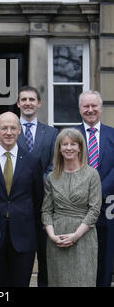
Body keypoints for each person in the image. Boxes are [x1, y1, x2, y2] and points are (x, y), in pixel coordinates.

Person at [0, 112, 44, 287]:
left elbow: (38, 200)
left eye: (13, 128)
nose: (8, 132)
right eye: (4, 128)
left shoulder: (32, 161)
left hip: (23, 238)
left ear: (20, 130)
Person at [41, 128, 102, 287]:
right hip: (57, 239)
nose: (68, 148)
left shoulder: (92, 174)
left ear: (80, 147)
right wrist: (53, 236)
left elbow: (94, 210)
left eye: (73, 144)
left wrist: (75, 236)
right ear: (59, 148)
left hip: (84, 237)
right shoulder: (52, 177)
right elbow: (46, 210)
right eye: (64, 144)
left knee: (83, 281)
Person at [16, 85, 58, 287]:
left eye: (32, 99)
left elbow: (54, 165)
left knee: (45, 258)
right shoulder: (9, 130)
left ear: (39, 103)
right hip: (19, 203)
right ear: (18, 103)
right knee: (21, 260)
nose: (28, 103)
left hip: (45, 204)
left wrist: (37, 183)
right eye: (23, 99)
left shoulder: (51, 133)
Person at [76, 90, 114, 287]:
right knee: (79, 262)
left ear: (101, 108)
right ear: (80, 109)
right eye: (86, 106)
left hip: (107, 209)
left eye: (94, 106)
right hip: (77, 210)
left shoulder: (113, 134)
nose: (90, 110)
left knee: (105, 261)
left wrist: (98, 190)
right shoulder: (70, 135)